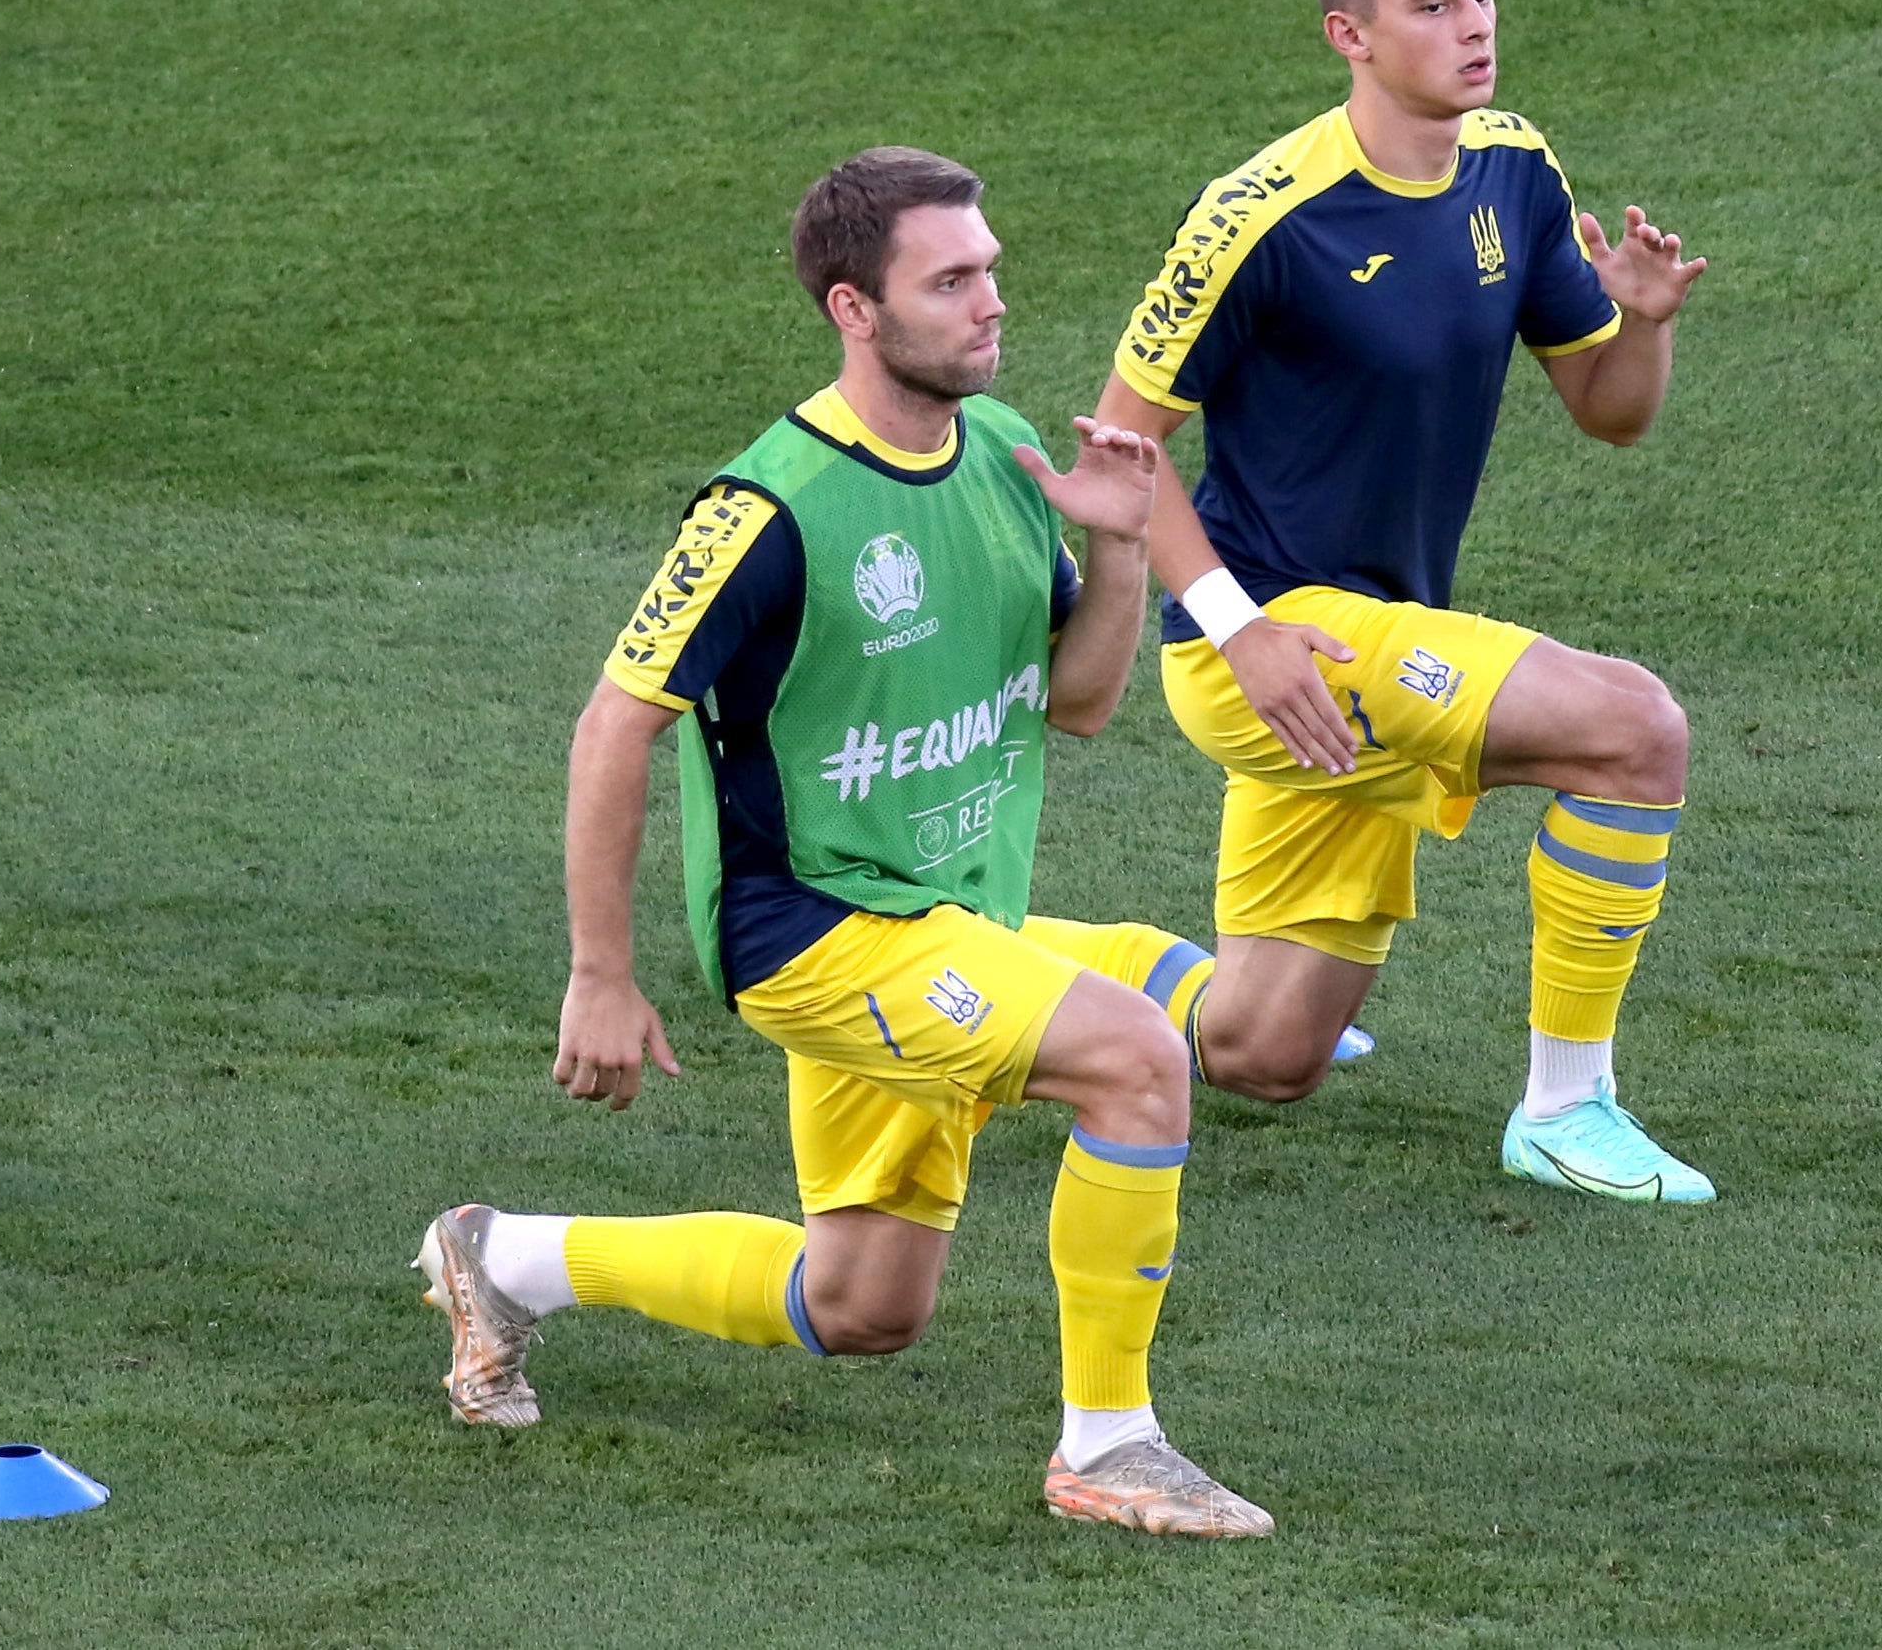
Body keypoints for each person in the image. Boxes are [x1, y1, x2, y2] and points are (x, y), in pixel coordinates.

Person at [416, 147, 1269, 1539]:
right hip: (809, 929)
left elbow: (1082, 700)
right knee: (1139, 1055)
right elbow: (611, 724)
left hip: (945, 921)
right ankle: (1108, 1448)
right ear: (852, 309)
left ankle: (502, 1258)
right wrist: (599, 971)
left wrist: (1118, 551)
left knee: (864, 1305)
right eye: (950, 280)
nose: (991, 301)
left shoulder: (1000, 457)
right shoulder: (766, 508)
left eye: (989, 267)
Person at [1092, 0, 1716, 1202]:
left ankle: (1010, 962)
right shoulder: (1261, 213)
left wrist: (1643, 323)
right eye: (1431, 6)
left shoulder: (1511, 167)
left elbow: (1608, 411)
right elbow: (1118, 448)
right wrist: (1236, 625)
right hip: (1271, 647)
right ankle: (1564, 1106)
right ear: (1350, 35)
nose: (1473, 28)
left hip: (1364, 651)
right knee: (1633, 729)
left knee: (1262, 1052)